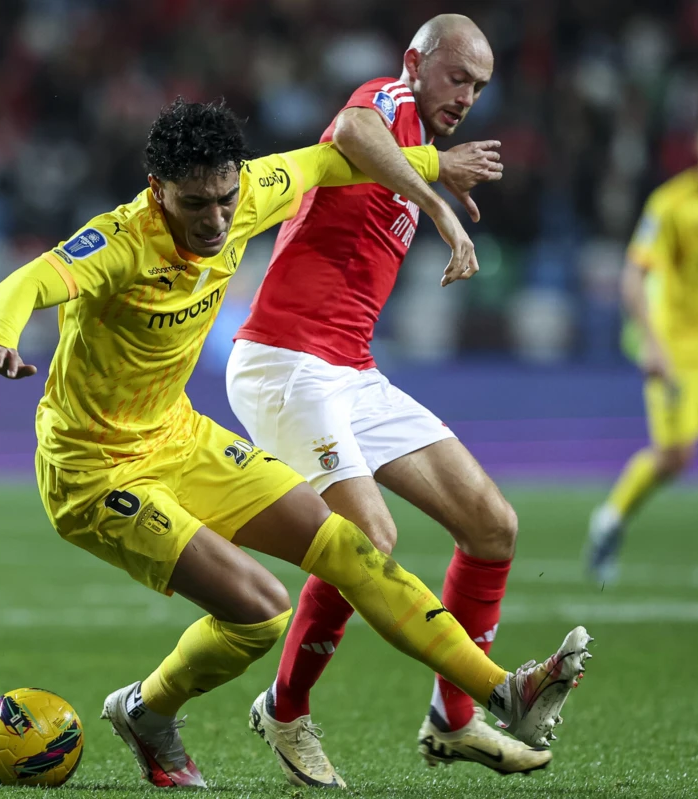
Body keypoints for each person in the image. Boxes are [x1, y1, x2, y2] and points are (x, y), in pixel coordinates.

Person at [0, 98, 593, 789]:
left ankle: (505, 691)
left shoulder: (254, 190)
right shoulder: (119, 243)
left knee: (353, 546)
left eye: (225, 198)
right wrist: (0, 335)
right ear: (158, 192)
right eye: (194, 204)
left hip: (179, 436)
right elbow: (22, 282)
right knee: (263, 610)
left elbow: (336, 159)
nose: (215, 220)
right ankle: (149, 710)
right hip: (93, 470)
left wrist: (437, 164)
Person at [226, 13, 563, 787]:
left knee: (492, 525)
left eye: (479, 87)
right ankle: (284, 706)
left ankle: (454, 718)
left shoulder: (419, 143)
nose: (467, 96)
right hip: (285, 360)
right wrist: (439, 192)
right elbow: (348, 128)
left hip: (350, 368)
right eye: (457, 77)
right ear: (416, 61)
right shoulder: (389, 102)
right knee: (366, 539)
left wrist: (434, 177)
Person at [585, 104, 698, 597]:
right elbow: (633, 276)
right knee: (675, 458)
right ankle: (610, 519)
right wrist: (650, 342)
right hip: (678, 357)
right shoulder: (671, 204)